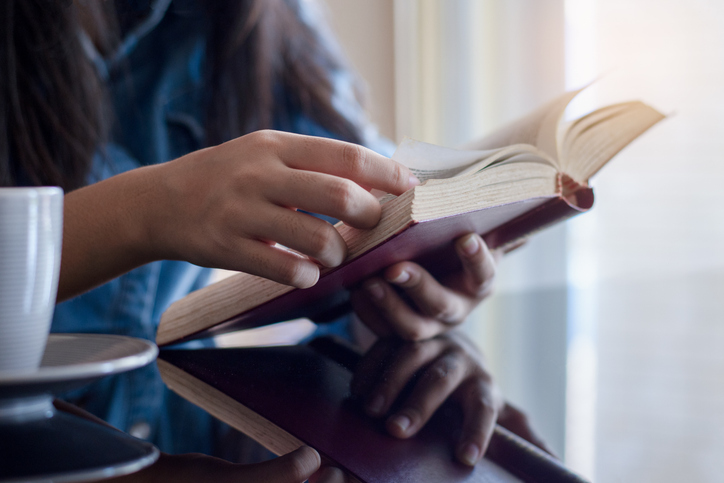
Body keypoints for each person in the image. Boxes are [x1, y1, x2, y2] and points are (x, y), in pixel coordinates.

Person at [2, 0, 542, 481]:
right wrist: (148, 210)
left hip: (189, 430)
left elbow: (364, 201)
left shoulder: (258, 16)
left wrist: (411, 274)